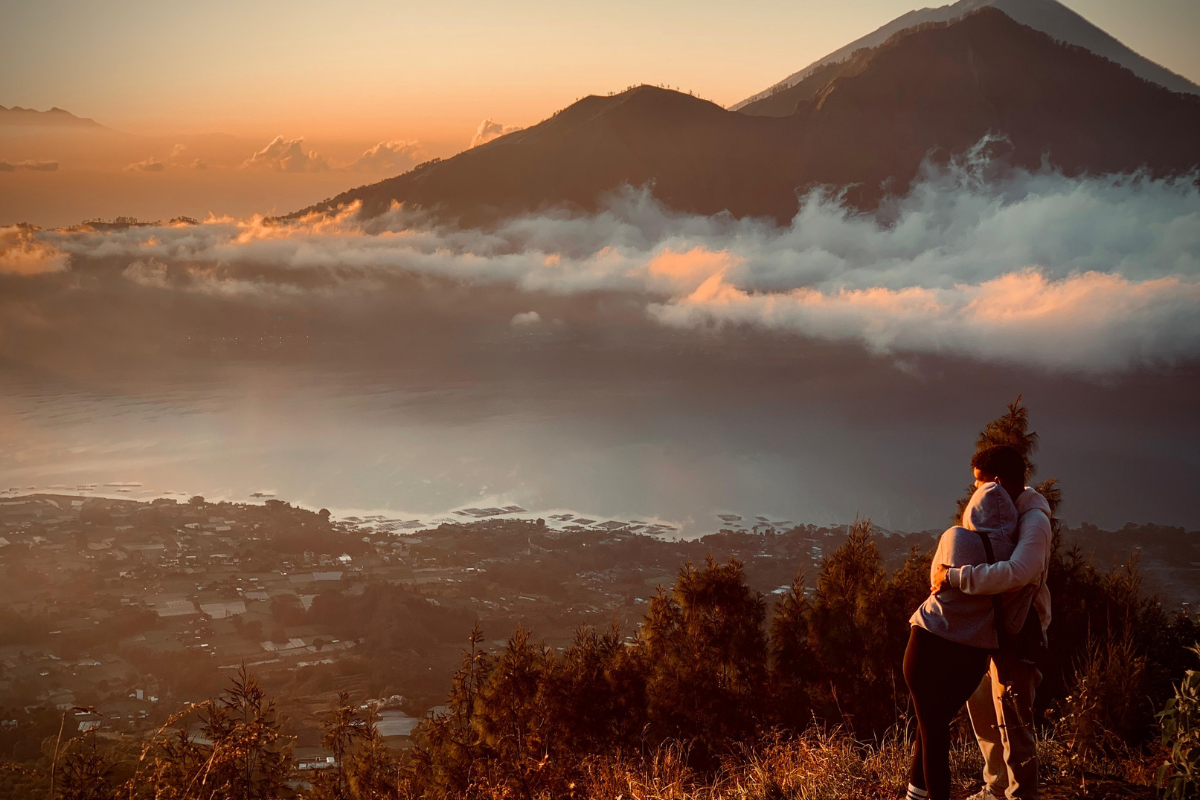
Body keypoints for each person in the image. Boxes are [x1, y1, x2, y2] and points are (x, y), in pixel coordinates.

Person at [932, 445, 1053, 800]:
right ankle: (995, 787)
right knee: (983, 710)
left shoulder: (1035, 521)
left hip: (1017, 632)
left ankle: (1020, 795)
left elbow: (1019, 572)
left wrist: (955, 578)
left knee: (1014, 720)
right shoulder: (999, 515)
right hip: (984, 628)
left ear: (996, 481)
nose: (974, 491)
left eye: (978, 482)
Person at [904, 481, 1019, 800]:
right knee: (933, 726)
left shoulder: (955, 537)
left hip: (929, 643)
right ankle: (915, 794)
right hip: (973, 656)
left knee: (932, 730)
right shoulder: (1013, 555)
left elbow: (935, 583)